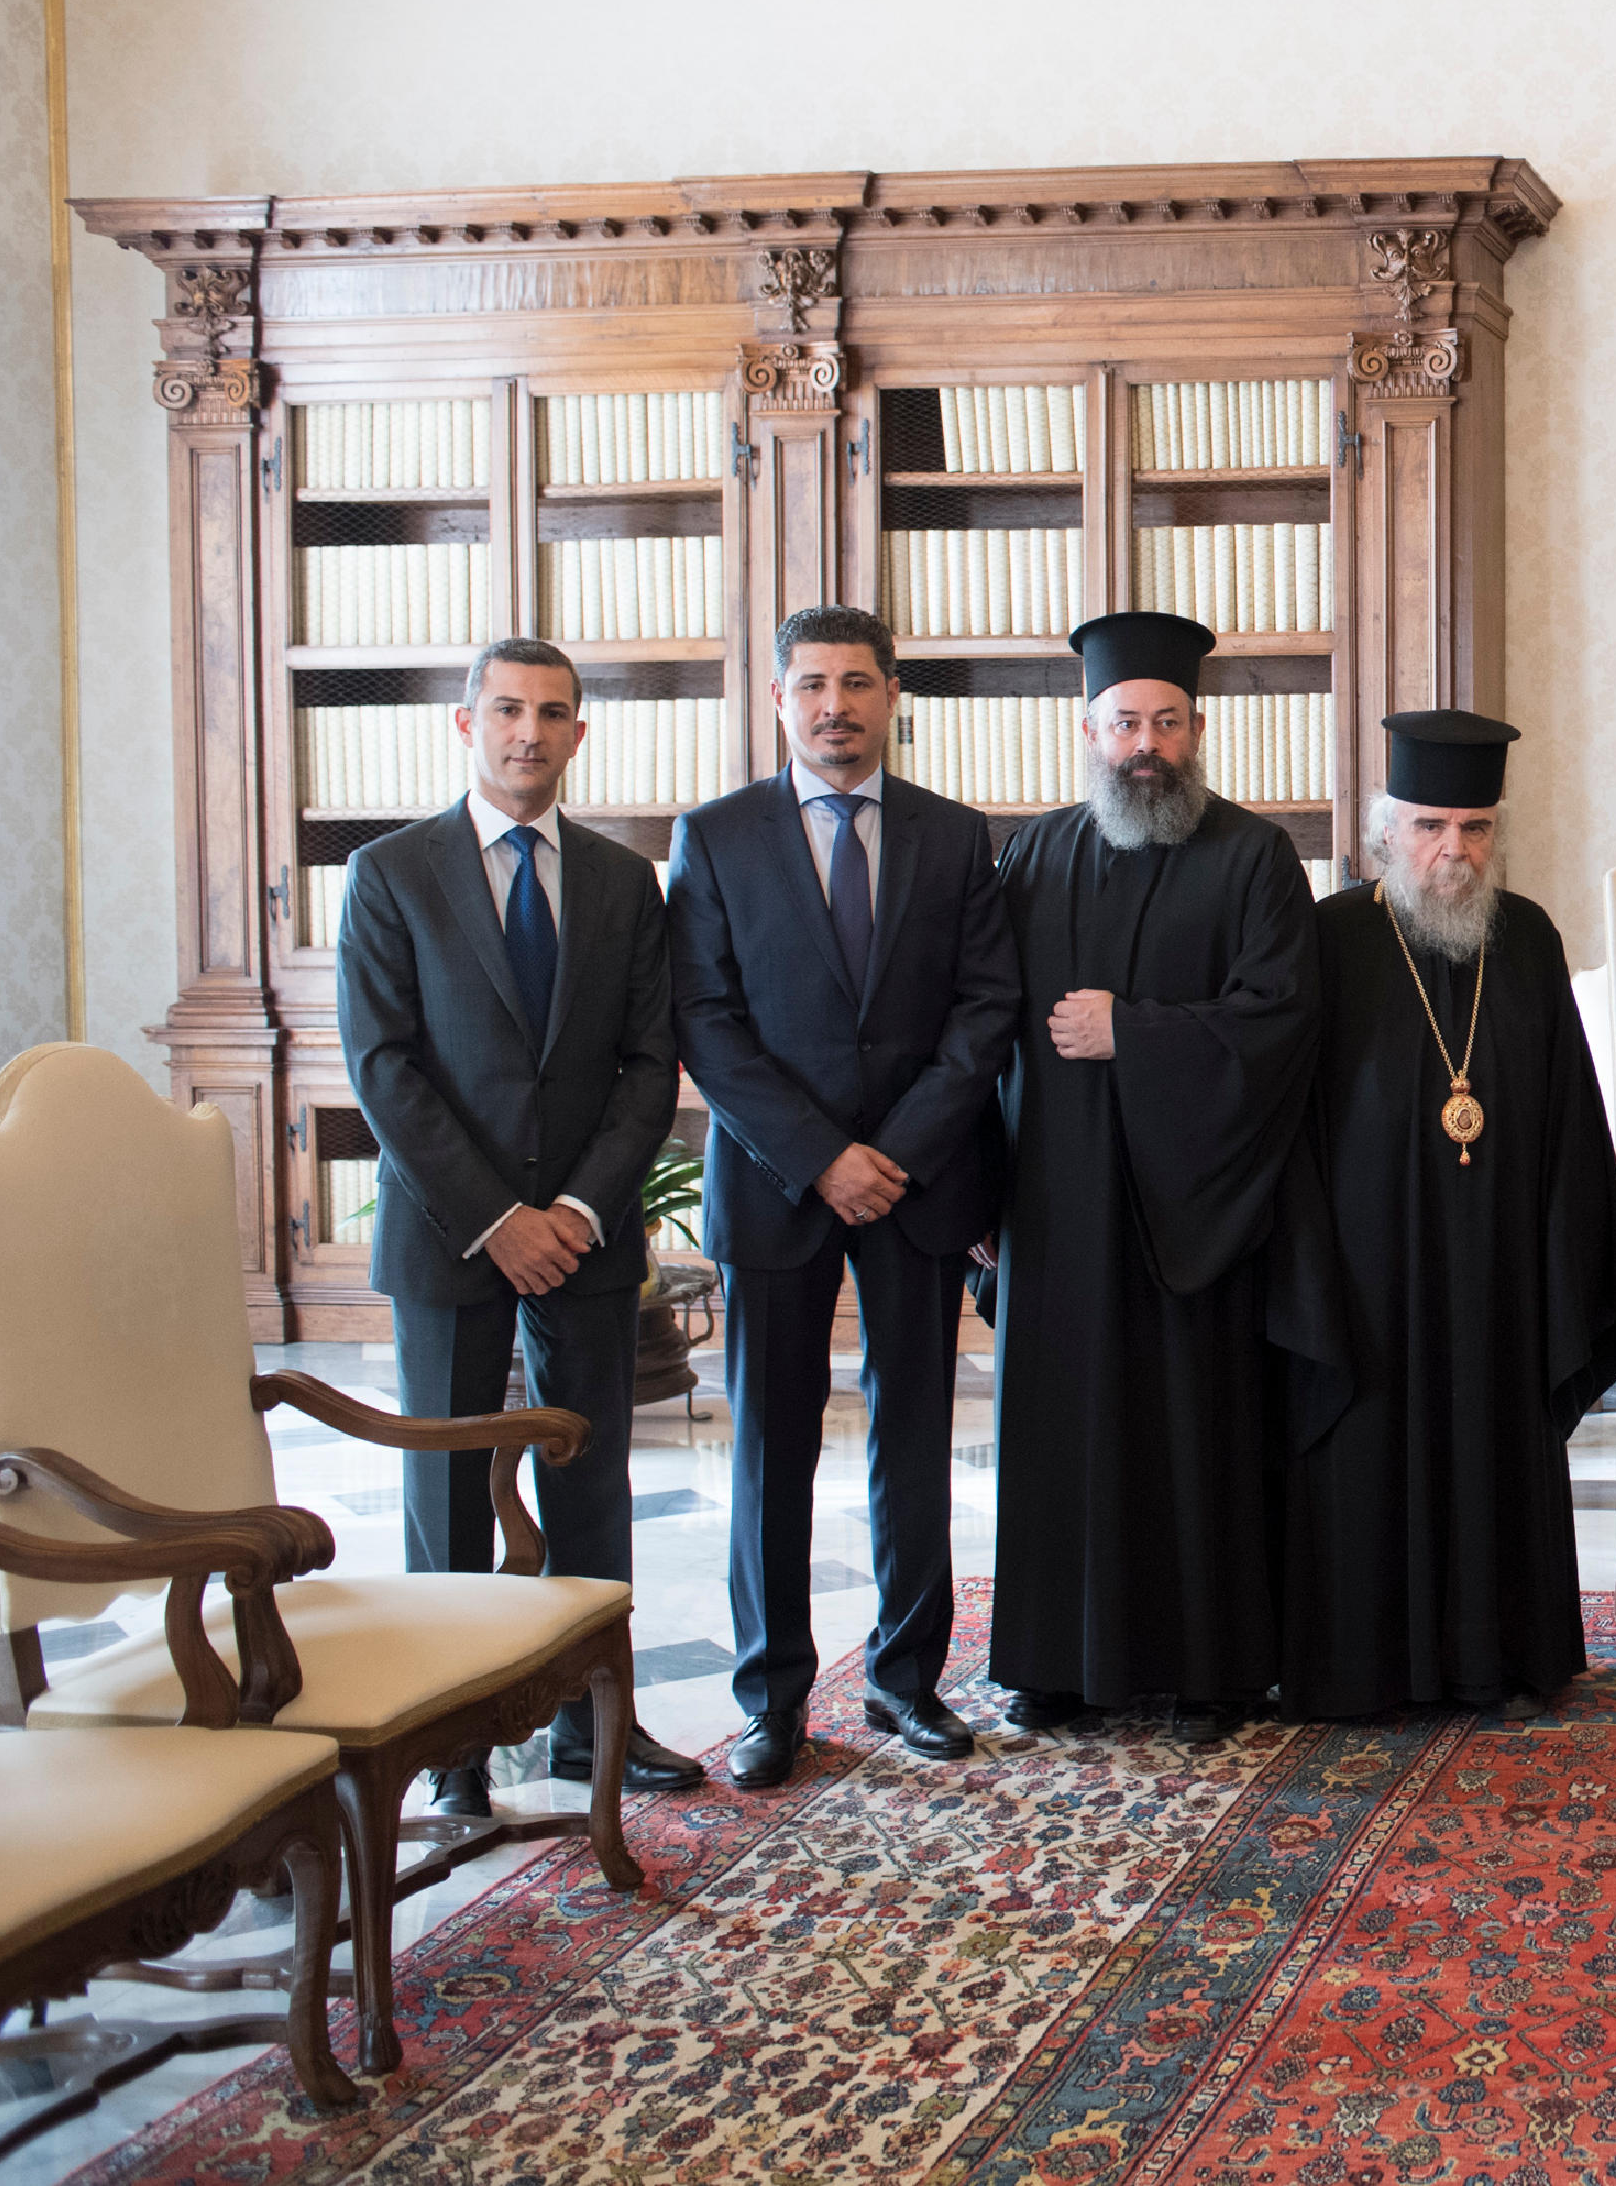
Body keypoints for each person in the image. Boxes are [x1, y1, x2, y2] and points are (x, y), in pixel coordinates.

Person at [336, 636, 703, 1807]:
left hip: (586, 1237)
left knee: (590, 1488)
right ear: (467, 723)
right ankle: (449, 1752)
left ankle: (594, 1729)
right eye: (506, 710)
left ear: (579, 733)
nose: (527, 733)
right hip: (450, 1235)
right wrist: (498, 1217)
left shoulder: (623, 882)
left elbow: (648, 1065)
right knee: (445, 1496)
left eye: (551, 714)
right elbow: (383, 1066)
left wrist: (580, 1209)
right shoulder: (390, 874)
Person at [669, 605, 1018, 1788]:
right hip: (777, 1183)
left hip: (918, 1185)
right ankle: (770, 1698)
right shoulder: (714, 837)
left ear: (891, 696)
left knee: (914, 1437)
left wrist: (896, 1153)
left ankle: (906, 1680)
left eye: (857, 683)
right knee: (770, 1448)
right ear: (778, 699)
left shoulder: (955, 837)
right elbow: (705, 1019)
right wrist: (822, 1156)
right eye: (812, 683)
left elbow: (985, 1010)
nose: (835, 706)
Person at [987, 610, 1335, 1743]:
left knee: (1197, 1436)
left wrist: (1132, 1032)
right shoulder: (1033, 856)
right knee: (1060, 1434)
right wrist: (980, 1189)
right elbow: (981, 1026)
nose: (1147, 744)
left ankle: (1211, 1673)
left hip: (1198, 1210)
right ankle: (1054, 1665)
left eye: (1168, 722)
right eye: (1126, 722)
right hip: (1055, 1201)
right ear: (1089, 731)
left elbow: (1282, 1021)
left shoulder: (1253, 857)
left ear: (1198, 729)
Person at [1279, 713, 1616, 1720]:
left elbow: (1570, 1110)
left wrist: (1564, 1260)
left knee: (1495, 1442)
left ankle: (1502, 1659)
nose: (1454, 850)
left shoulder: (1525, 938)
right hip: (1367, 1267)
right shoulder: (1332, 937)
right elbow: (1292, 1115)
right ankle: (1365, 1668)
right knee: (1370, 1451)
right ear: (1386, 833)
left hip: (1500, 1264)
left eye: (1475, 828)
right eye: (1431, 826)